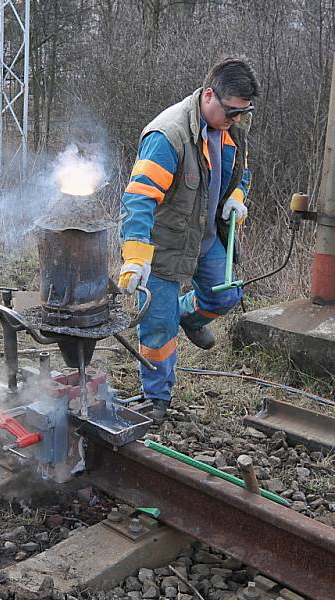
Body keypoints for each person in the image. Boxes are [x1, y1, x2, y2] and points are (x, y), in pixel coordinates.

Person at [117, 57, 259, 421]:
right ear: (209, 95)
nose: (237, 120)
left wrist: (236, 197)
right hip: (165, 244)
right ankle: (156, 399)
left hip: (205, 237)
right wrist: (134, 255)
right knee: (158, 326)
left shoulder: (232, 129)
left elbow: (242, 173)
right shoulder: (168, 135)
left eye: (242, 113)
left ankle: (187, 315)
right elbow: (139, 198)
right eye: (231, 111)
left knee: (226, 294)